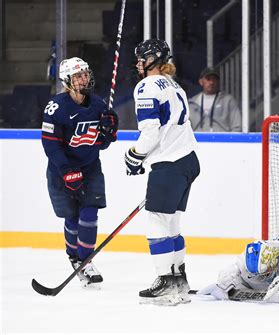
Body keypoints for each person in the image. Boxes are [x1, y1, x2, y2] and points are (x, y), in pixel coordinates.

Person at [125, 39, 200, 306]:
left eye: (142, 58)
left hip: (169, 163)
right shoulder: (172, 83)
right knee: (172, 223)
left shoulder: (146, 86)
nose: (138, 63)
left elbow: (150, 132)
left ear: (154, 60)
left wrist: (135, 155)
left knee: (157, 220)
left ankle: (166, 283)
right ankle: (179, 280)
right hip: (188, 161)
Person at [41, 57, 119, 289]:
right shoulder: (56, 107)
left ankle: (85, 261)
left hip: (91, 168)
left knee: (89, 213)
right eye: (78, 76)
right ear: (67, 81)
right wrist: (66, 171)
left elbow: (102, 144)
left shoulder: (98, 105)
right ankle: (74, 257)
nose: (84, 78)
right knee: (72, 217)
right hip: (61, 171)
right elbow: (50, 145)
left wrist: (109, 130)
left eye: (85, 73)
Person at [188, 67, 242, 132]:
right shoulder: (192, 102)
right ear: (201, 81)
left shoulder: (228, 101)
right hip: (197, 141)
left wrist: (230, 141)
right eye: (208, 79)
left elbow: (236, 127)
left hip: (222, 141)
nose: (211, 82)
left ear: (219, 81)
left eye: (214, 79)